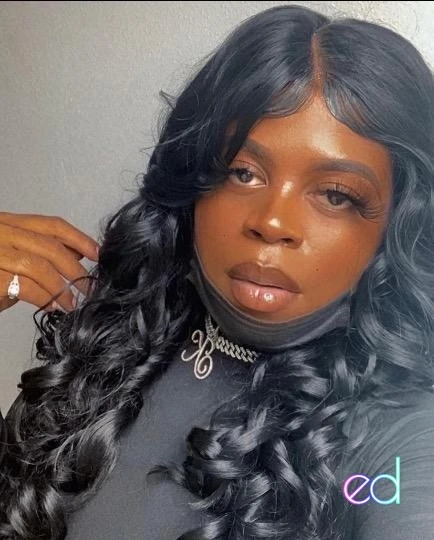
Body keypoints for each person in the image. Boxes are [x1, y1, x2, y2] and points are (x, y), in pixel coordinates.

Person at [1, 3, 433, 539]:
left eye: (336, 195)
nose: (273, 222)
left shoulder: (399, 439)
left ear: (395, 224)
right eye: (242, 172)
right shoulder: (109, 340)